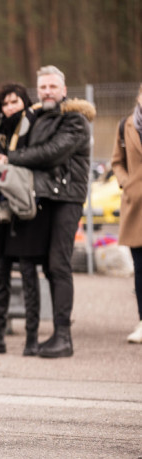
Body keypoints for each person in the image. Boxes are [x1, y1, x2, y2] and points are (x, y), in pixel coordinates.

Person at [6, 65, 95, 358]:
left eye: (52, 87)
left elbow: (50, 153)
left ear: (64, 90)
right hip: (42, 198)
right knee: (42, 265)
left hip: (66, 199)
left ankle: (63, 337)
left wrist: (10, 158)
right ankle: (49, 336)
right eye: (42, 87)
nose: (46, 92)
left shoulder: (76, 121)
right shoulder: (37, 118)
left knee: (59, 265)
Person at [0, 83, 47, 356]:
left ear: (24, 102)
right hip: (2, 211)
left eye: (15, 102)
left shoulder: (37, 126)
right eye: (5, 103)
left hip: (27, 210)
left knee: (29, 275)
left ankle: (31, 339)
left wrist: (7, 159)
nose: (10, 108)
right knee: (2, 274)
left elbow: (39, 157)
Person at [110, 83, 142, 343]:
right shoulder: (125, 125)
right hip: (136, 206)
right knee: (140, 269)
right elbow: (116, 162)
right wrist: (126, 182)